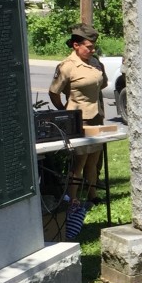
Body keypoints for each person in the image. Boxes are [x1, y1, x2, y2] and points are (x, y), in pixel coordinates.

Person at [49, 22, 108, 204]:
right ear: (76, 45)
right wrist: (63, 111)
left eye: (93, 47)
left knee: (93, 159)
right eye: (88, 47)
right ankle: (73, 198)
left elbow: (102, 84)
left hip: (96, 116)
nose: (92, 50)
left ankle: (93, 195)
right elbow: (54, 92)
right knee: (79, 161)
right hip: (78, 119)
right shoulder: (67, 66)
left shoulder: (96, 62)